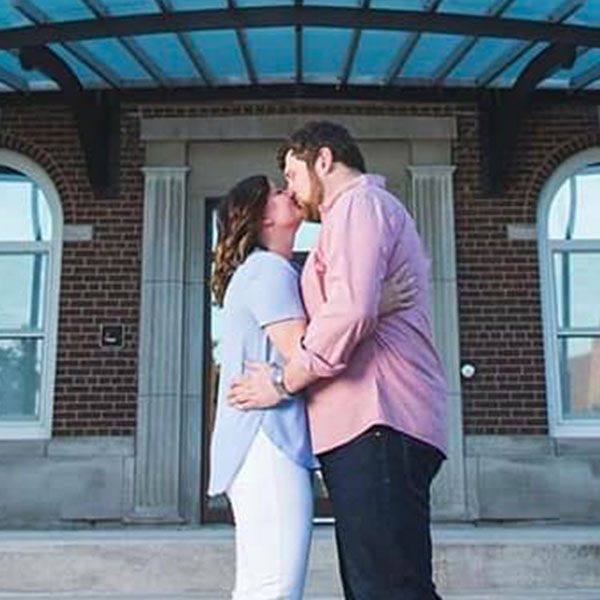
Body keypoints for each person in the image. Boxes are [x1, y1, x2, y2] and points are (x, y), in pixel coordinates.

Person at [228, 121, 448, 600]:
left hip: (379, 419)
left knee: (388, 587)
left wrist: (283, 383)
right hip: (364, 426)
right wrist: (372, 303)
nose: (291, 190)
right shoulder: (342, 222)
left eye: (293, 174)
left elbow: (349, 312)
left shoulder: (358, 205)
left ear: (323, 160)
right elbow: (351, 308)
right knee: (378, 584)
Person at [207, 174, 413, 600]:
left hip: (263, 444)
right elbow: (306, 351)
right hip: (266, 442)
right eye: (278, 193)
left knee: (260, 583)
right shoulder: (267, 271)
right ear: (264, 218)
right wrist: (374, 305)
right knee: (275, 585)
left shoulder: (273, 271)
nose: (289, 192)